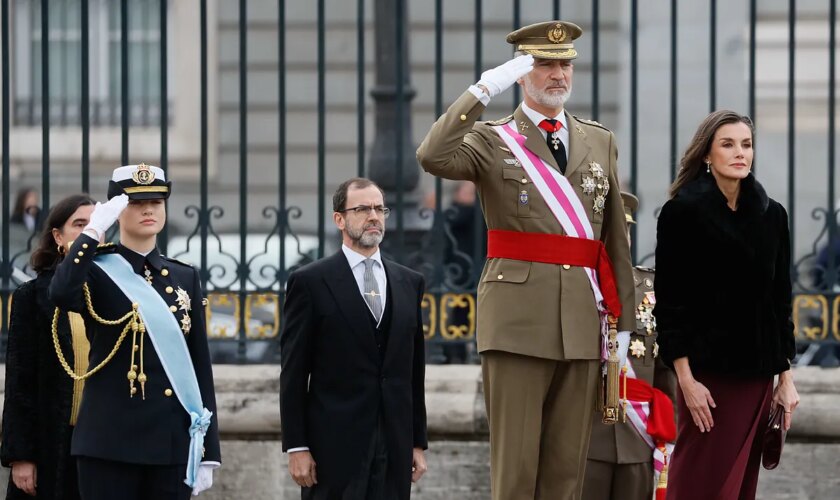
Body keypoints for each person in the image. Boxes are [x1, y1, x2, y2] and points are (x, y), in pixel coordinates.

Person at [416, 20, 636, 500]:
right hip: (517, 321)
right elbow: (433, 156)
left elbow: (614, 236)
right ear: (521, 73)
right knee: (515, 473)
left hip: (582, 318)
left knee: (565, 473)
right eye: (544, 64)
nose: (558, 74)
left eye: (564, 64)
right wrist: (481, 90)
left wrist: (622, 322)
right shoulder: (493, 139)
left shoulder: (598, 139)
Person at [49, 164, 221, 500]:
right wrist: (92, 231)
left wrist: (208, 450)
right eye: (136, 202)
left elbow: (199, 365)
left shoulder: (184, 277)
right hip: (108, 444)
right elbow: (61, 292)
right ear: (115, 210)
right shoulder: (97, 270)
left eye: (157, 202)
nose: (148, 210)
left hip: (170, 443)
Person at [653, 110, 800, 500]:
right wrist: (686, 381)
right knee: (699, 483)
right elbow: (670, 305)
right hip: (706, 378)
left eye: (747, 144)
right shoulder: (681, 213)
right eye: (728, 144)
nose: (740, 153)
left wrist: (785, 380)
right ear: (706, 154)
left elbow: (780, 303)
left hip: (757, 379)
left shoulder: (773, 216)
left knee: (739, 488)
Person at [279, 177, 428, 500]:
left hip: (394, 445)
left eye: (379, 208)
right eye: (362, 209)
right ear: (340, 219)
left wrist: (417, 441)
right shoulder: (311, 282)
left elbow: (414, 370)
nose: (374, 216)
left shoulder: (409, 282)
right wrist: (297, 446)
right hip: (333, 448)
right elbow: (293, 371)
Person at [583, 192, 678, 500]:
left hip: (638, 441)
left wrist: (670, 432)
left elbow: (666, 370)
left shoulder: (654, 289)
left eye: (624, 233)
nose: (618, 243)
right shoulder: (574, 286)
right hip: (583, 437)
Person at [1, 194, 95, 500]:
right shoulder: (33, 296)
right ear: (58, 235)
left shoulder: (117, 292)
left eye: (95, 225)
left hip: (103, 443)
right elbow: (20, 381)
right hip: (50, 441)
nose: (87, 232)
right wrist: (21, 456)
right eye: (79, 224)